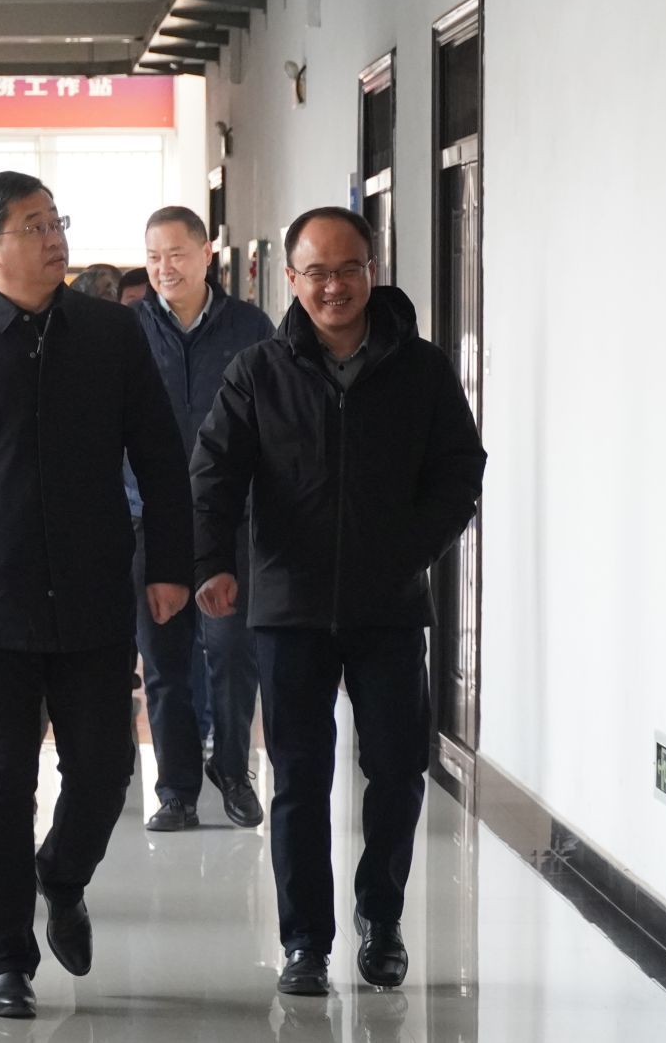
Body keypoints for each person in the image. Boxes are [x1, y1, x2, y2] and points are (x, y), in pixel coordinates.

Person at [0, 171, 191, 1020]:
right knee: (3, 780)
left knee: (106, 766)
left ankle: (62, 872)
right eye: (34, 226)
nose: (55, 239)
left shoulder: (111, 332)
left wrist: (169, 564)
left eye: (57, 222)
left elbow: (160, 454)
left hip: (94, 590)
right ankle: (6, 962)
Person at [193, 206, 485, 997]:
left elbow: (460, 469)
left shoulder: (421, 369)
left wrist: (411, 549)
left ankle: (381, 920)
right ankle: (304, 942)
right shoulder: (257, 371)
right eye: (316, 272)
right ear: (290, 278)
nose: (333, 286)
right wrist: (212, 562)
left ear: (371, 271)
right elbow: (214, 471)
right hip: (289, 609)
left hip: (388, 606)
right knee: (299, 777)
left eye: (347, 268)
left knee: (396, 769)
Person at [131, 206, 275, 833]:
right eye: (153, 257)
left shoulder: (250, 327)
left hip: (230, 520)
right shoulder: (127, 330)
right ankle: (176, 791)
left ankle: (234, 771)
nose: (164, 268)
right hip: (151, 520)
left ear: (206, 254)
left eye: (176, 254)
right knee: (164, 661)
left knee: (233, 650)